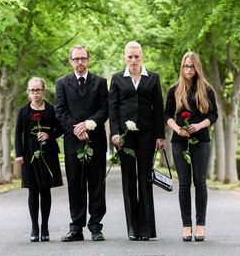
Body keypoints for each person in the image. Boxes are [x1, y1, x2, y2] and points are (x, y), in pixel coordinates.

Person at [108, 41, 165, 241]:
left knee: (145, 178)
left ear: (142, 56)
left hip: (147, 134)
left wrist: (160, 135)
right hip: (125, 136)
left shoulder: (153, 78)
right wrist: (114, 133)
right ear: (125, 57)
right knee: (129, 178)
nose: (133, 60)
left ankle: (147, 228)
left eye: (136, 56)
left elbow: (159, 108)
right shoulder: (116, 79)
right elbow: (112, 108)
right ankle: (133, 228)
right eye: (130, 57)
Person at [55, 45, 109, 242]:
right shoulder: (61, 83)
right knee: (75, 187)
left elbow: (105, 109)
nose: (80, 62)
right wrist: (77, 129)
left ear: (88, 59)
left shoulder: (101, 82)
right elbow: (60, 111)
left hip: (96, 142)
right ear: (70, 61)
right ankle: (76, 227)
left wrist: (89, 124)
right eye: (76, 59)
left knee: (96, 185)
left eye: (83, 59)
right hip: (72, 143)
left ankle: (96, 227)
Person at [164, 52, 218, 242]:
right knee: (184, 184)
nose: (188, 70)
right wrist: (177, 128)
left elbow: (214, 115)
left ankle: (200, 226)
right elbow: (167, 115)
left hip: (201, 140)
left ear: (197, 68)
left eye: (192, 67)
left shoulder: (207, 90)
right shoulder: (174, 90)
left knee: (200, 182)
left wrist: (200, 125)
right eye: (185, 66)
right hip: (179, 141)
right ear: (182, 67)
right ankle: (187, 226)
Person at [15, 77, 64, 242]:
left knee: (46, 189)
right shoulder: (23, 111)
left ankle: (45, 227)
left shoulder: (52, 109)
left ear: (43, 91)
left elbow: (61, 128)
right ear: (28, 92)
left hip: (47, 152)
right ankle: (34, 227)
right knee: (33, 190)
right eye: (32, 90)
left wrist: (49, 134)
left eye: (38, 90)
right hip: (29, 152)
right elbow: (18, 134)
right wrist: (19, 154)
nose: (35, 93)